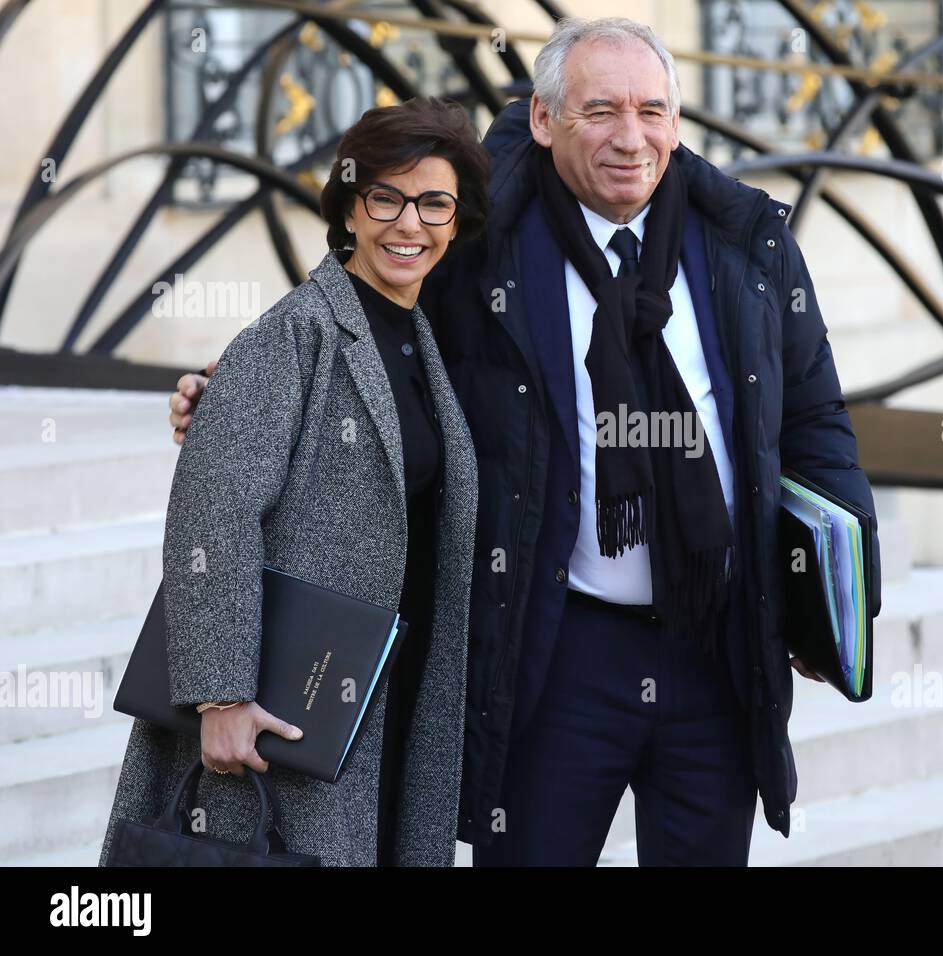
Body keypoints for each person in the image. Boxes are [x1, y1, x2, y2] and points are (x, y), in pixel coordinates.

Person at [169, 16, 882, 866]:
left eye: (653, 111)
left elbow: (813, 423)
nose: (631, 138)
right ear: (544, 122)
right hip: (556, 652)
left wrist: (836, 605)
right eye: (600, 112)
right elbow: (362, 315)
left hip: (719, 651)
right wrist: (240, 390)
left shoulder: (747, 244)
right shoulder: (482, 246)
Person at [101, 95, 490, 867]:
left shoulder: (421, 340)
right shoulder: (293, 333)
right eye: (387, 197)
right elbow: (213, 511)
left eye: (433, 203)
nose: (408, 224)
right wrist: (220, 696)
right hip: (283, 702)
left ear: (457, 222)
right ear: (349, 208)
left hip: (390, 689)